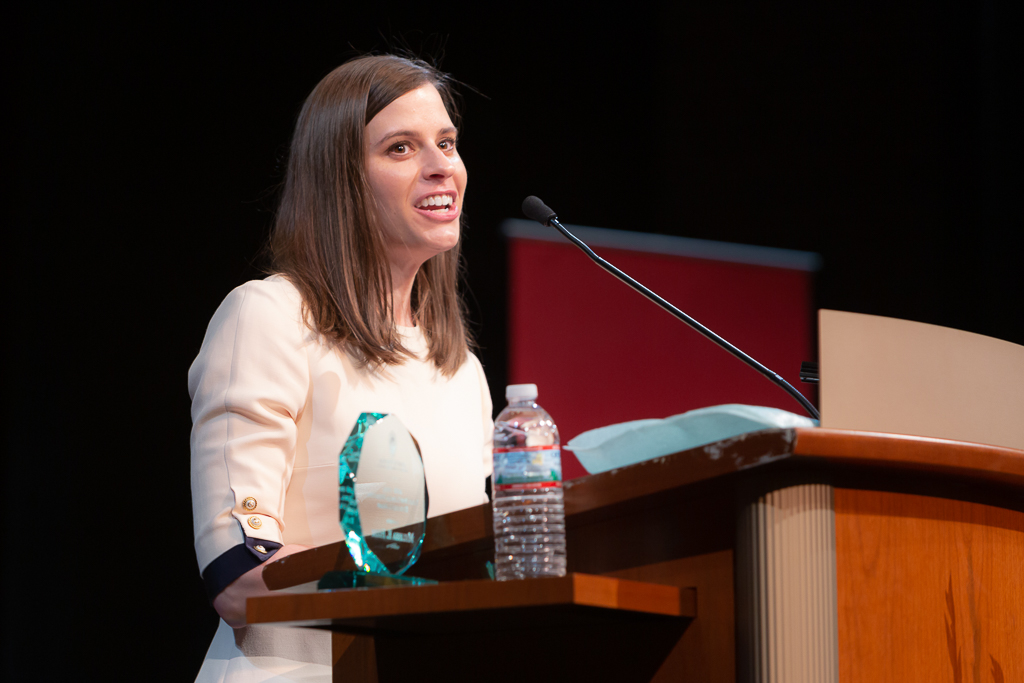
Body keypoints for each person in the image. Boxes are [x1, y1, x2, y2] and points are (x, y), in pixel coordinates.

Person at [188, 54, 493, 683]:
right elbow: (237, 571)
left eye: (447, 143)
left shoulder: (462, 371)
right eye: (402, 147)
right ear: (342, 180)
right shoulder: (270, 318)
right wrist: (415, 597)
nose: (442, 167)